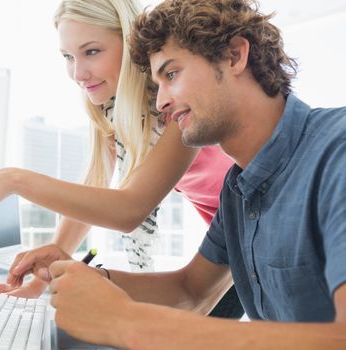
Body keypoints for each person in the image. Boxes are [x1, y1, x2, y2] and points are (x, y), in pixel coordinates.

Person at [37, 0, 346, 348]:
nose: (160, 103)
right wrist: (84, 280)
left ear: (234, 56)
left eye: (171, 75)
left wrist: (127, 322)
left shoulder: (337, 151)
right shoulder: (238, 192)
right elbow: (190, 291)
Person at [0, 0, 241, 317]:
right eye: (68, 56)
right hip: (226, 234)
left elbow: (128, 209)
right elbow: (93, 189)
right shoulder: (111, 110)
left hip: (250, 229)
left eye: (92, 52)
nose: (78, 73)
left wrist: (12, 179)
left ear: (131, 44)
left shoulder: (177, 103)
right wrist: (38, 278)